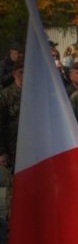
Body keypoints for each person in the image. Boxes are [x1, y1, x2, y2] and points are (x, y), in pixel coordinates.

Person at [0, 59, 24, 224]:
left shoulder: (36, 93)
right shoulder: (6, 95)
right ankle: (12, 227)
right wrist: (1, 151)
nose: (24, 75)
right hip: (12, 150)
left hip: (32, 150)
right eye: (21, 72)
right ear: (15, 73)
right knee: (13, 191)